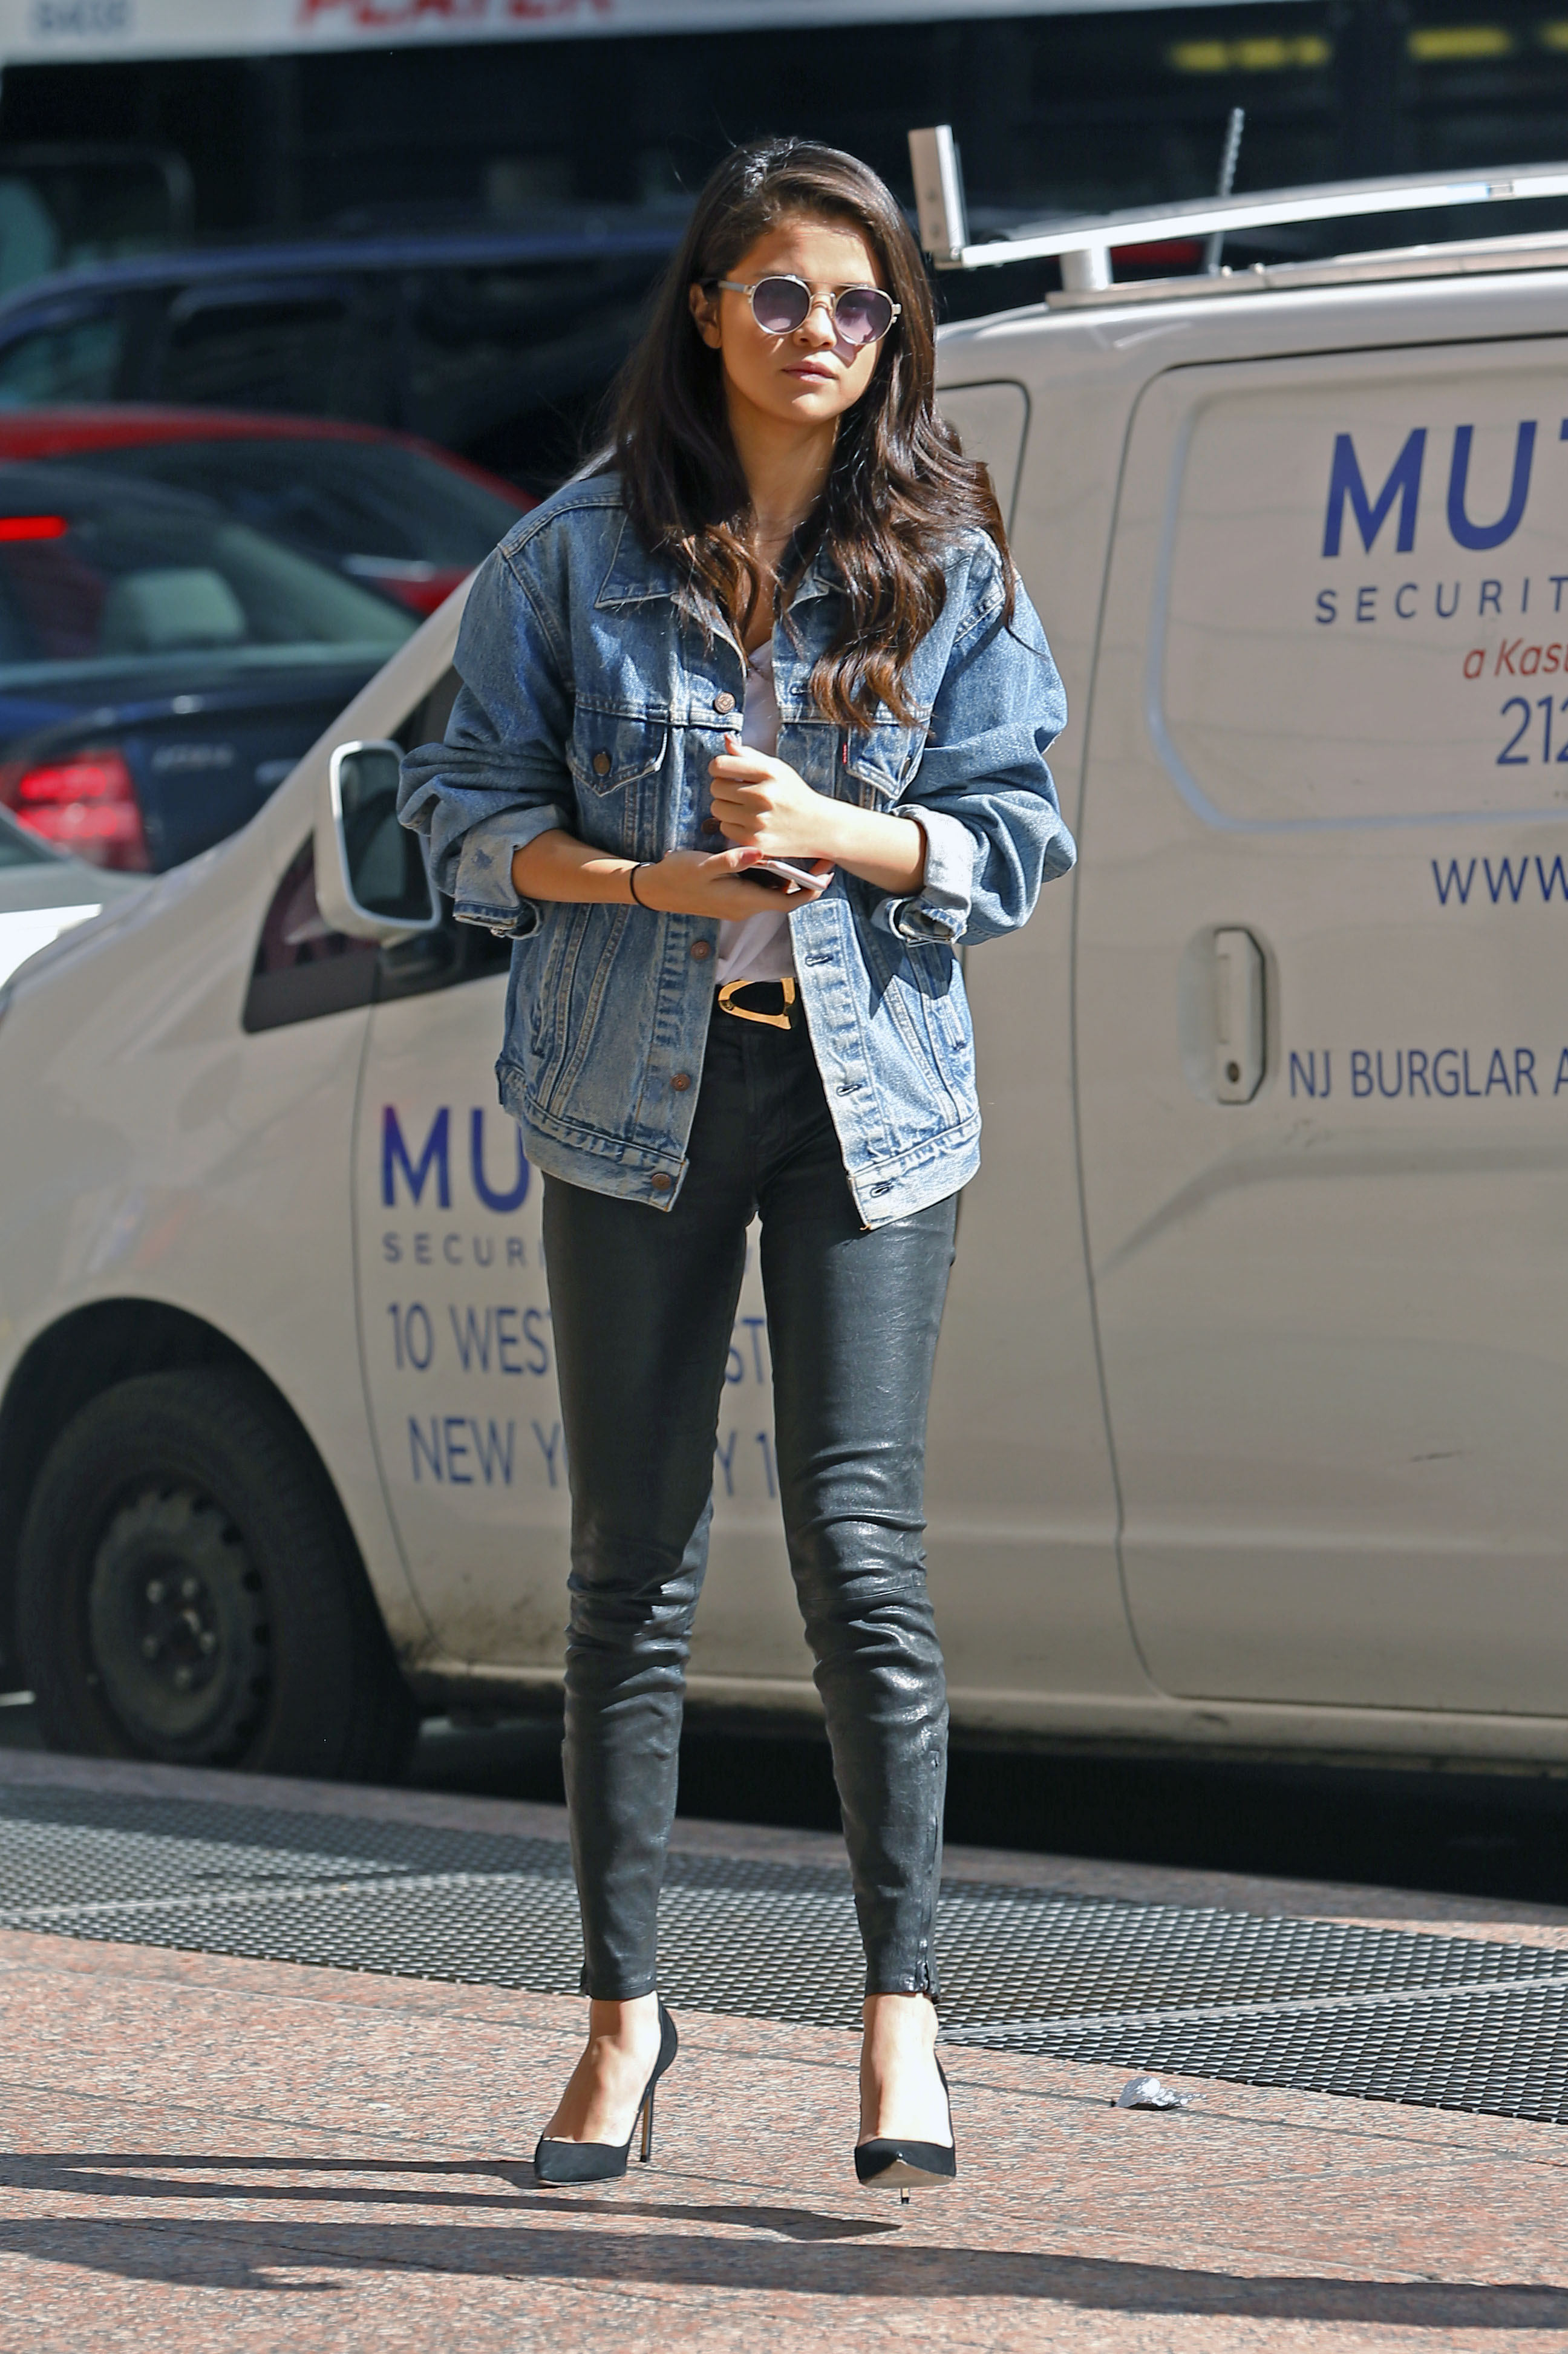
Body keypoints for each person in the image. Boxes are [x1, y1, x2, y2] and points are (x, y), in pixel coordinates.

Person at [399, 135, 1073, 2195]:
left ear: (896, 334)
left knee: (861, 1549)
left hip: (868, 1106)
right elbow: (452, 817)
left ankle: (903, 2019)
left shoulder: (947, 560)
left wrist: (845, 833)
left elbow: (1018, 837)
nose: (820, 333)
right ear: (707, 309)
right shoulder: (574, 555)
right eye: (781, 292)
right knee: (633, 1564)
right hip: (635, 1097)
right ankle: (624, 2017)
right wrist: (649, 881)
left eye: (860, 304)